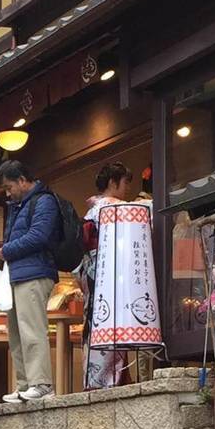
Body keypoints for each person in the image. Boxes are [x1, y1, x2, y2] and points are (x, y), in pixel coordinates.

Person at [0, 158, 66, 402]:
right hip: (20, 275)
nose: (8, 193)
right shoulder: (20, 205)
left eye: (9, 187)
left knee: (31, 330)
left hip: (35, 274)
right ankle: (25, 384)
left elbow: (39, 236)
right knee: (17, 334)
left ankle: (42, 384)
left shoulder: (44, 201)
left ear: (22, 180)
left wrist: (7, 250)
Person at [81, 161, 140, 391]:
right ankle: (109, 380)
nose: (127, 188)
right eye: (125, 182)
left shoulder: (91, 211)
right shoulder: (115, 208)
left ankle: (95, 381)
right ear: (113, 182)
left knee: (95, 326)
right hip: (111, 275)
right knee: (113, 325)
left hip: (92, 274)